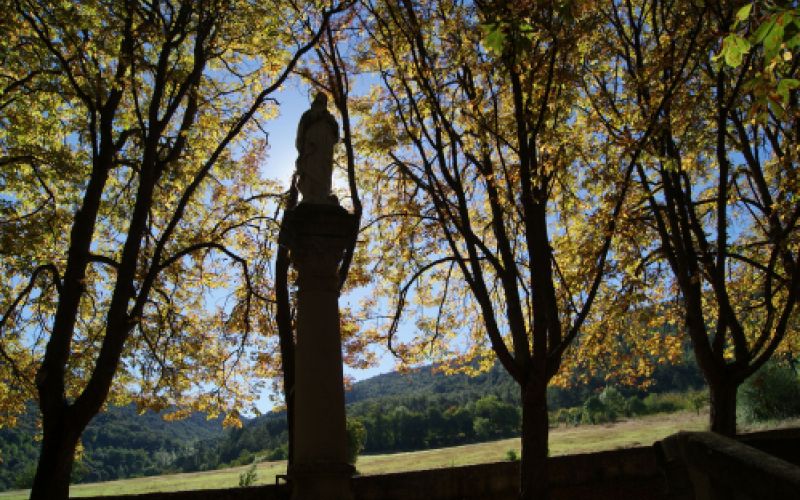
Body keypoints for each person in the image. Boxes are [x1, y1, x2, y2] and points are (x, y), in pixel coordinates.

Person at [295, 93, 339, 204]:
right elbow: (301, 131)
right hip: (311, 146)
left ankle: (323, 195)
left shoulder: (330, 117)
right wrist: (302, 148)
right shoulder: (308, 114)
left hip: (325, 149)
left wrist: (330, 123)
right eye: (319, 100)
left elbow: (336, 136)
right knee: (311, 167)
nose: (320, 102)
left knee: (324, 170)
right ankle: (309, 196)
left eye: (323, 100)